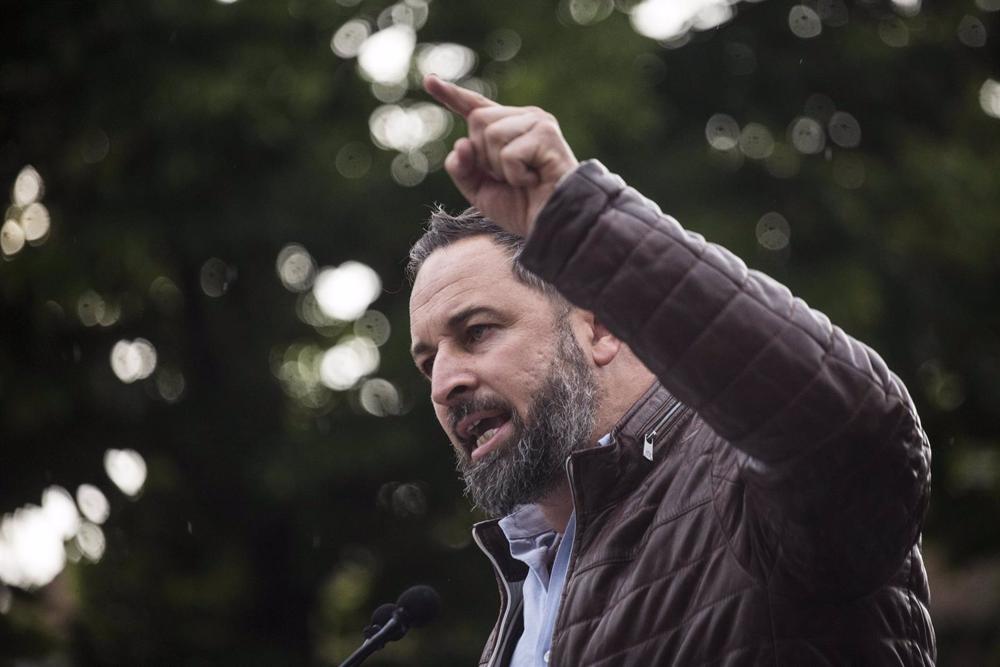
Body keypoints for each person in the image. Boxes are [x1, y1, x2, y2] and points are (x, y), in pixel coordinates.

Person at [407, 75, 935, 666]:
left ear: (601, 326)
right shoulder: (524, 595)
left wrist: (586, 225)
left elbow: (857, 429)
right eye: (427, 363)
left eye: (477, 332)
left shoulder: (743, 488)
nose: (444, 384)